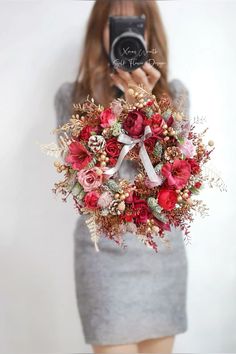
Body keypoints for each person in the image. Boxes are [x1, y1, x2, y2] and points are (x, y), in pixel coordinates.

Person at [54, 1, 190, 353]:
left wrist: (147, 109)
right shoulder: (72, 97)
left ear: (148, 32)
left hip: (161, 257)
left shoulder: (174, 95)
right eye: (116, 23)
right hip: (103, 260)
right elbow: (83, 181)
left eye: (135, 24)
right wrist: (123, 111)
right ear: (101, 30)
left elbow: (173, 181)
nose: (127, 34)